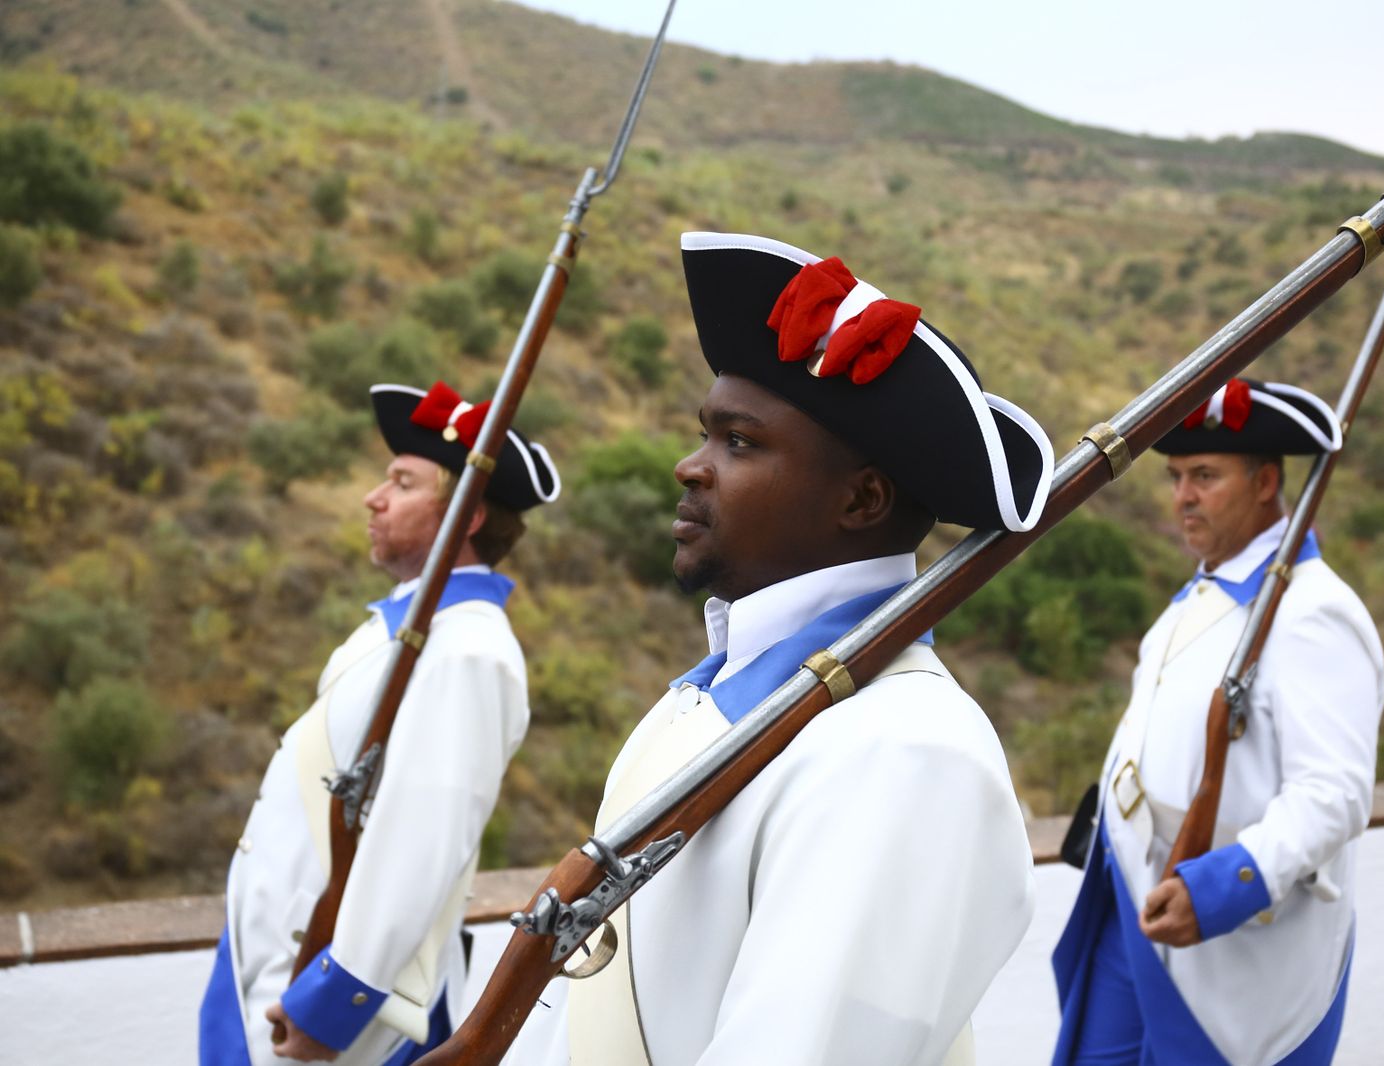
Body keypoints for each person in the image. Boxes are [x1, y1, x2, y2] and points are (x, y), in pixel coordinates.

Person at [510, 232, 1056, 1066]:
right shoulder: (715, 696)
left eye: (740, 442)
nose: (691, 467)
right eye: (706, 435)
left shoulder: (904, 750)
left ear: (862, 498)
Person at [199, 381, 561, 1065]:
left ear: (468, 514)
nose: (374, 496)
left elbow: (420, 840)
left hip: (326, 1004)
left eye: (401, 482)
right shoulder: (412, 630)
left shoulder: (469, 650)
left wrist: (333, 1006)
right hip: (278, 965)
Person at [1049, 377, 1384, 1066]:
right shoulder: (1204, 591)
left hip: (1218, 925)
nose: (1183, 498)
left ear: (1267, 483)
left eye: (1205, 476)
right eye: (1176, 477)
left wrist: (1224, 886)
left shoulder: (1314, 611)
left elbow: (1335, 794)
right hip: (1128, 895)